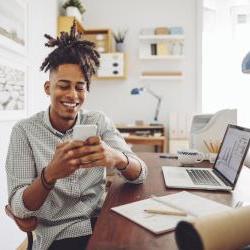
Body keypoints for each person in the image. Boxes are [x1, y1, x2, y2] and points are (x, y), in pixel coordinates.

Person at [5, 22, 147, 250]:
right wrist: (49, 175)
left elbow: (141, 173)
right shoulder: (24, 132)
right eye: (63, 86)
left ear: (87, 91)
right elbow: (19, 207)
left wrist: (117, 158)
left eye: (80, 87)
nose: (72, 95)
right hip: (57, 236)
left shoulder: (98, 121)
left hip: (101, 224)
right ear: (47, 88)